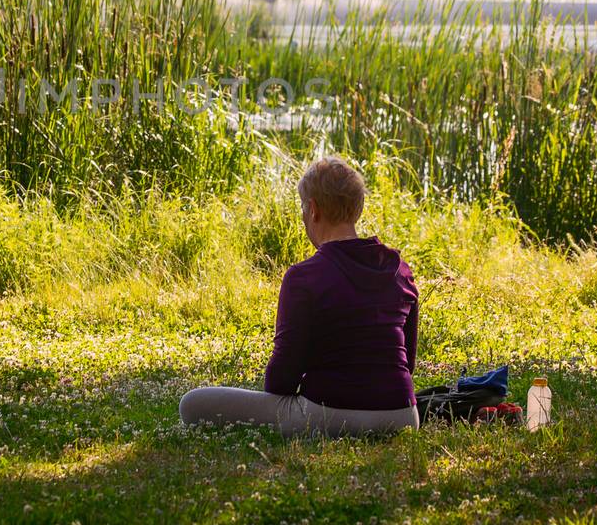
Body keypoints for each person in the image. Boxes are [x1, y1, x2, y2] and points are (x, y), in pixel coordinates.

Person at [179, 156, 420, 435]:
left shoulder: (304, 276)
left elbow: (280, 381)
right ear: (358, 208)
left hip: (327, 415)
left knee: (192, 403)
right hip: (403, 416)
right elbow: (408, 364)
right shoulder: (400, 269)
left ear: (313, 209)